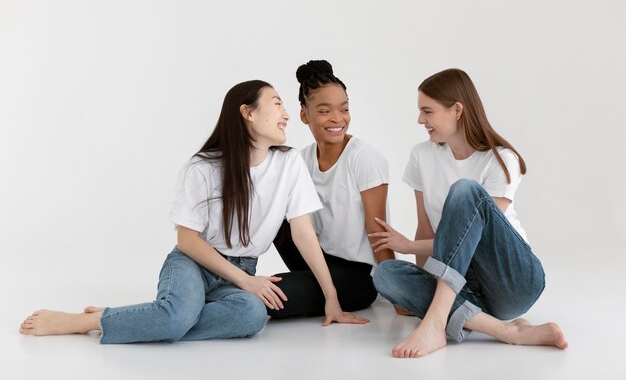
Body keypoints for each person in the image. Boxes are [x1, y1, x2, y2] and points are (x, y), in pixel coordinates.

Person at [19, 80, 367, 343]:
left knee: (251, 316)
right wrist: (246, 282)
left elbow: (302, 233)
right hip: (194, 263)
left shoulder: (289, 163)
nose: (287, 113)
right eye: (276, 104)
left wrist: (331, 299)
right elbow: (186, 240)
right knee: (176, 317)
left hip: (241, 267)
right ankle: (88, 322)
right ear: (247, 113)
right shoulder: (204, 167)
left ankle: (155, 318)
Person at [370, 68, 568, 358]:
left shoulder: (500, 160)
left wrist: (409, 248)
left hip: (511, 278)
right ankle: (508, 331)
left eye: (427, 111)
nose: (420, 120)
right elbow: (425, 227)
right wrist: (415, 287)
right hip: (463, 283)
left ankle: (437, 321)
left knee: (465, 191)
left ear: (457, 110)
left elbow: (474, 240)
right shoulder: (421, 156)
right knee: (385, 274)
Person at [267, 60, 394, 319]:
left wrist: (397, 291)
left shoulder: (363, 158)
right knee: (276, 214)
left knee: (271, 296)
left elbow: (378, 233)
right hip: (319, 262)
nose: (338, 118)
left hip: (358, 277)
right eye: (325, 111)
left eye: (344, 109)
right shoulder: (300, 160)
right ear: (305, 115)